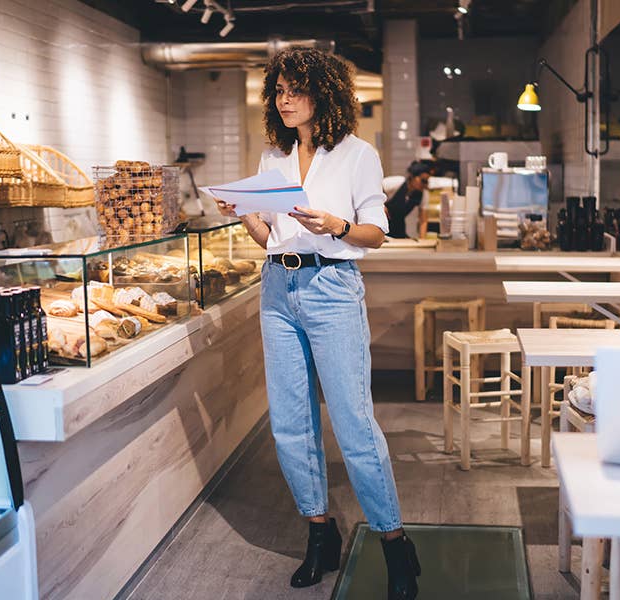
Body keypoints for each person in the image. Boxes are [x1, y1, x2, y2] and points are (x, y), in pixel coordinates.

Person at [215, 48, 421, 600]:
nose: (283, 100)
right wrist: (247, 214)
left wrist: (336, 224)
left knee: (354, 423)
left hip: (332, 288)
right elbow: (271, 239)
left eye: (293, 90)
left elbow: (376, 234)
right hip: (277, 289)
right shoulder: (272, 159)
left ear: (322, 94)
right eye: (277, 91)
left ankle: (395, 542)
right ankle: (319, 533)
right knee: (289, 422)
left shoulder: (357, 155)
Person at [385, 161, 431, 239]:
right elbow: (375, 188)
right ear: (412, 176)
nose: (425, 185)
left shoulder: (423, 194)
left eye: (427, 182)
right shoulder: (398, 182)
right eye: (423, 181)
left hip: (398, 229)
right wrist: (380, 205)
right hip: (383, 227)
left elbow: (423, 221)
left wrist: (422, 240)